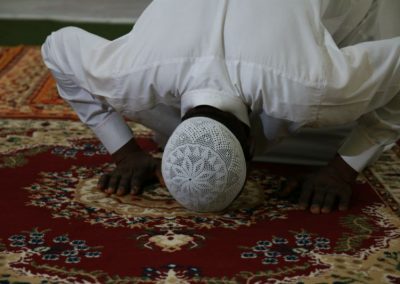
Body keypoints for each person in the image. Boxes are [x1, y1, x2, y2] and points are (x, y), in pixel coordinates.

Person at [41, 0, 400, 213]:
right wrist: (125, 152)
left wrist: (341, 170)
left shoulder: (313, 87)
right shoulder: (126, 75)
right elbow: (57, 46)